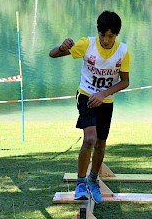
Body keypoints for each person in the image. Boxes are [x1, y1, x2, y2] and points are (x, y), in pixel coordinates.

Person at [49, 11, 131, 204]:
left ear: (116, 35)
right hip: (86, 96)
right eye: (103, 35)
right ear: (98, 32)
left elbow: (125, 81)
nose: (106, 40)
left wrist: (103, 94)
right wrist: (61, 47)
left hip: (106, 101)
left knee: (101, 143)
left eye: (110, 36)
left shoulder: (123, 51)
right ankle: (80, 183)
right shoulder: (87, 44)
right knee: (90, 139)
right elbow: (52, 54)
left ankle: (93, 180)